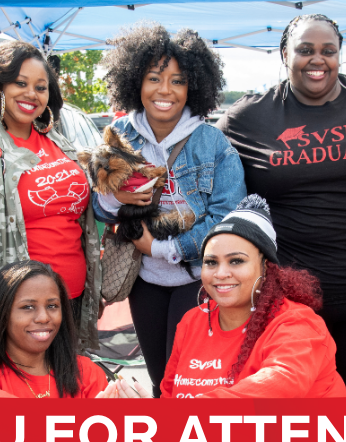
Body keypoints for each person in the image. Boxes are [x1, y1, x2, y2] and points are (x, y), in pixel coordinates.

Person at [217, 14, 346, 397]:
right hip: (293, 313)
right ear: (284, 54)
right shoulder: (247, 119)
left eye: (329, 51)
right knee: (302, 432)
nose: (318, 59)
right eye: (305, 50)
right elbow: (204, 175)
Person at [94, 23, 246, 397]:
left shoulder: (212, 143)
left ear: (193, 86)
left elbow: (227, 220)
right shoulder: (120, 134)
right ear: (135, 83)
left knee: (190, 383)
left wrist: (162, 248)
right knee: (160, 378)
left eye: (177, 81)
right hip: (143, 280)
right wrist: (119, 200)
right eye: (153, 79)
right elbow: (99, 206)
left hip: (196, 278)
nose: (165, 91)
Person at [0, 41, 101, 365]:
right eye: (20, 83)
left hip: (70, 303)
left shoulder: (55, 139)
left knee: (62, 403)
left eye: (41, 87)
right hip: (16, 314)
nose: (32, 94)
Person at [160, 195, 346, 398]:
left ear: (266, 267)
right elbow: (168, 398)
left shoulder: (298, 323)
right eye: (211, 262)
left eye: (236, 261)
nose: (220, 273)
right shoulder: (191, 321)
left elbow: (278, 387)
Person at [0, 261, 149, 398]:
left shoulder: (86, 372)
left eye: (52, 306)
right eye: (28, 307)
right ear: (1, 313)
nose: (44, 317)